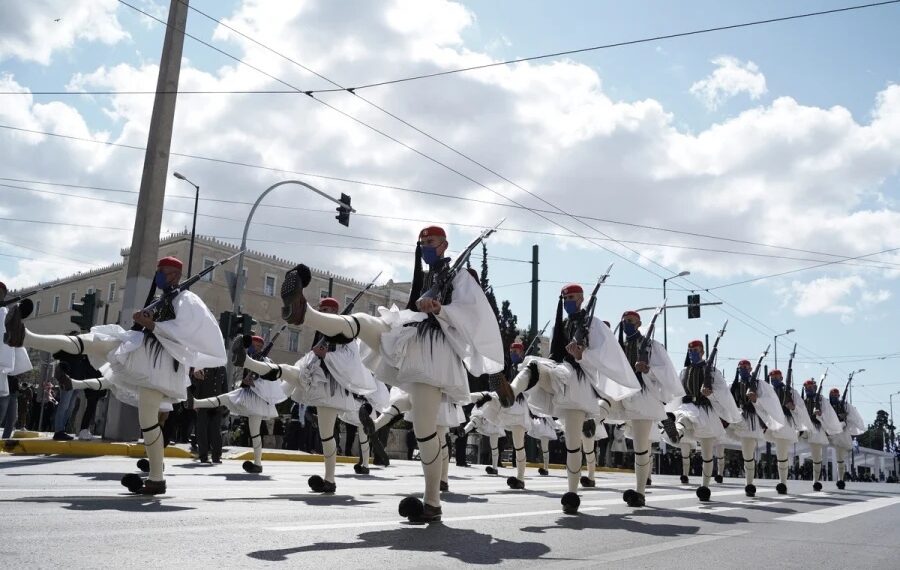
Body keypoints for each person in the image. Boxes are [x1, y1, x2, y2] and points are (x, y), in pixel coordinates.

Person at [273, 226, 504, 522]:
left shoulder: (459, 277)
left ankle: (432, 502)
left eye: (431, 242)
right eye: (422, 242)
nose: (425, 246)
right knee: (361, 322)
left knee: (424, 430)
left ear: (445, 245)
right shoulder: (426, 278)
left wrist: (440, 309)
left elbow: (472, 315)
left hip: (434, 353)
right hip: (408, 335)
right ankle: (305, 313)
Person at [4, 256, 226, 494]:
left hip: (160, 364)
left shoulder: (187, 299)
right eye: (158, 271)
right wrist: (145, 321)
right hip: (141, 349)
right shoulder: (164, 298)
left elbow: (187, 335)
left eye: (162, 272)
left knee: (148, 421)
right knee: (95, 341)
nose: (159, 276)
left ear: (175, 275)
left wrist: (151, 324)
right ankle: (26, 337)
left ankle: (156, 478)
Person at [494, 283, 641, 513]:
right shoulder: (562, 325)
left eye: (572, 298)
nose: (567, 302)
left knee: (573, 443)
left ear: (581, 299)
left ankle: (572, 493)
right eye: (565, 299)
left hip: (579, 385)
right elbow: (556, 354)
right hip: (560, 374)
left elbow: (605, 360)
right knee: (533, 366)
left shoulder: (593, 325)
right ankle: (511, 392)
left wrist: (582, 355)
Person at [238, 297, 379, 492]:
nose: (324, 312)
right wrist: (314, 356)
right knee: (286, 369)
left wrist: (326, 355)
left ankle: (330, 480)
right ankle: (247, 361)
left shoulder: (345, 332)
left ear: (336, 312)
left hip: (330, 388)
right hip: (312, 376)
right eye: (322, 309)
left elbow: (351, 360)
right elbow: (312, 356)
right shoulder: (321, 332)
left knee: (326, 435)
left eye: (327, 309)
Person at [608, 310, 683, 507]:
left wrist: (648, 370)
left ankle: (640, 492)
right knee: (601, 406)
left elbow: (666, 373)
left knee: (640, 445)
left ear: (639, 324)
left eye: (630, 321)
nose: (627, 324)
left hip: (642, 396)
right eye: (624, 321)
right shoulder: (619, 346)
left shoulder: (651, 346)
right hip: (622, 393)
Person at [661, 339, 741, 502]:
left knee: (707, 453)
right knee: (682, 418)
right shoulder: (684, 371)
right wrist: (666, 403)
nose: (692, 353)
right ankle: (676, 433)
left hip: (705, 411)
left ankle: (705, 486)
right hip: (688, 405)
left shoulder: (712, 372)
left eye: (696, 351)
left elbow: (723, 393)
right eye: (690, 351)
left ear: (703, 352)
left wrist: (710, 393)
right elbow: (677, 391)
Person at [198, 336, 287, 473]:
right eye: (254, 345)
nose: (256, 348)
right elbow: (245, 380)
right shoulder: (249, 358)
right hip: (248, 395)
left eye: (258, 346)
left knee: (255, 433)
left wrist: (255, 383)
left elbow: (270, 381)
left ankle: (257, 463)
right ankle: (196, 402)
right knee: (226, 399)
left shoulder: (265, 361)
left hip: (258, 400)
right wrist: (245, 382)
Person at [724, 359, 785, 497]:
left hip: (752, 421)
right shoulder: (733, 385)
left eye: (745, 367)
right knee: (745, 453)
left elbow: (770, 402)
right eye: (740, 368)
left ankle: (749, 484)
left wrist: (756, 399)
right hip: (738, 419)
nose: (742, 370)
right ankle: (749, 483)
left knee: (748, 453)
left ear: (751, 369)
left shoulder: (759, 384)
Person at [764, 369, 813, 494]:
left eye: (776, 377)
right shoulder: (769, 391)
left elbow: (801, 409)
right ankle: (782, 482)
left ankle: (783, 482)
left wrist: (793, 407)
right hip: (772, 423)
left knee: (781, 454)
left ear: (781, 378)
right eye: (772, 378)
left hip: (785, 424)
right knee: (780, 454)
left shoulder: (791, 391)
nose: (774, 380)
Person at [0, 281, 33, 437]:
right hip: (3, 374)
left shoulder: (7, 313)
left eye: (2, 292)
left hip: (11, 378)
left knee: (12, 417)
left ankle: (3, 442)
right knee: (2, 412)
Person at [800, 378, 842, 491]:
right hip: (805, 429)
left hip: (817, 428)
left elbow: (829, 415)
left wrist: (820, 414)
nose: (808, 389)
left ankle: (816, 481)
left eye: (810, 387)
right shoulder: (803, 400)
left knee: (816, 456)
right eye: (806, 388)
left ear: (814, 388)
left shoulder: (822, 400)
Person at [827, 387, 865, 490]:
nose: (834, 397)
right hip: (828, 433)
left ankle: (840, 480)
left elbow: (853, 417)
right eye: (832, 395)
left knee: (840, 459)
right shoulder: (826, 406)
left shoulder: (845, 405)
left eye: (836, 395)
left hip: (841, 433)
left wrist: (845, 417)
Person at [191, 366, 228, 464]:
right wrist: (195, 402)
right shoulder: (204, 366)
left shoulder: (222, 368)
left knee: (216, 431)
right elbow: (196, 384)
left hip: (217, 403)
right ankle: (203, 456)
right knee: (202, 431)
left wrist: (225, 403)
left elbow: (224, 387)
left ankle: (216, 456)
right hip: (203, 402)